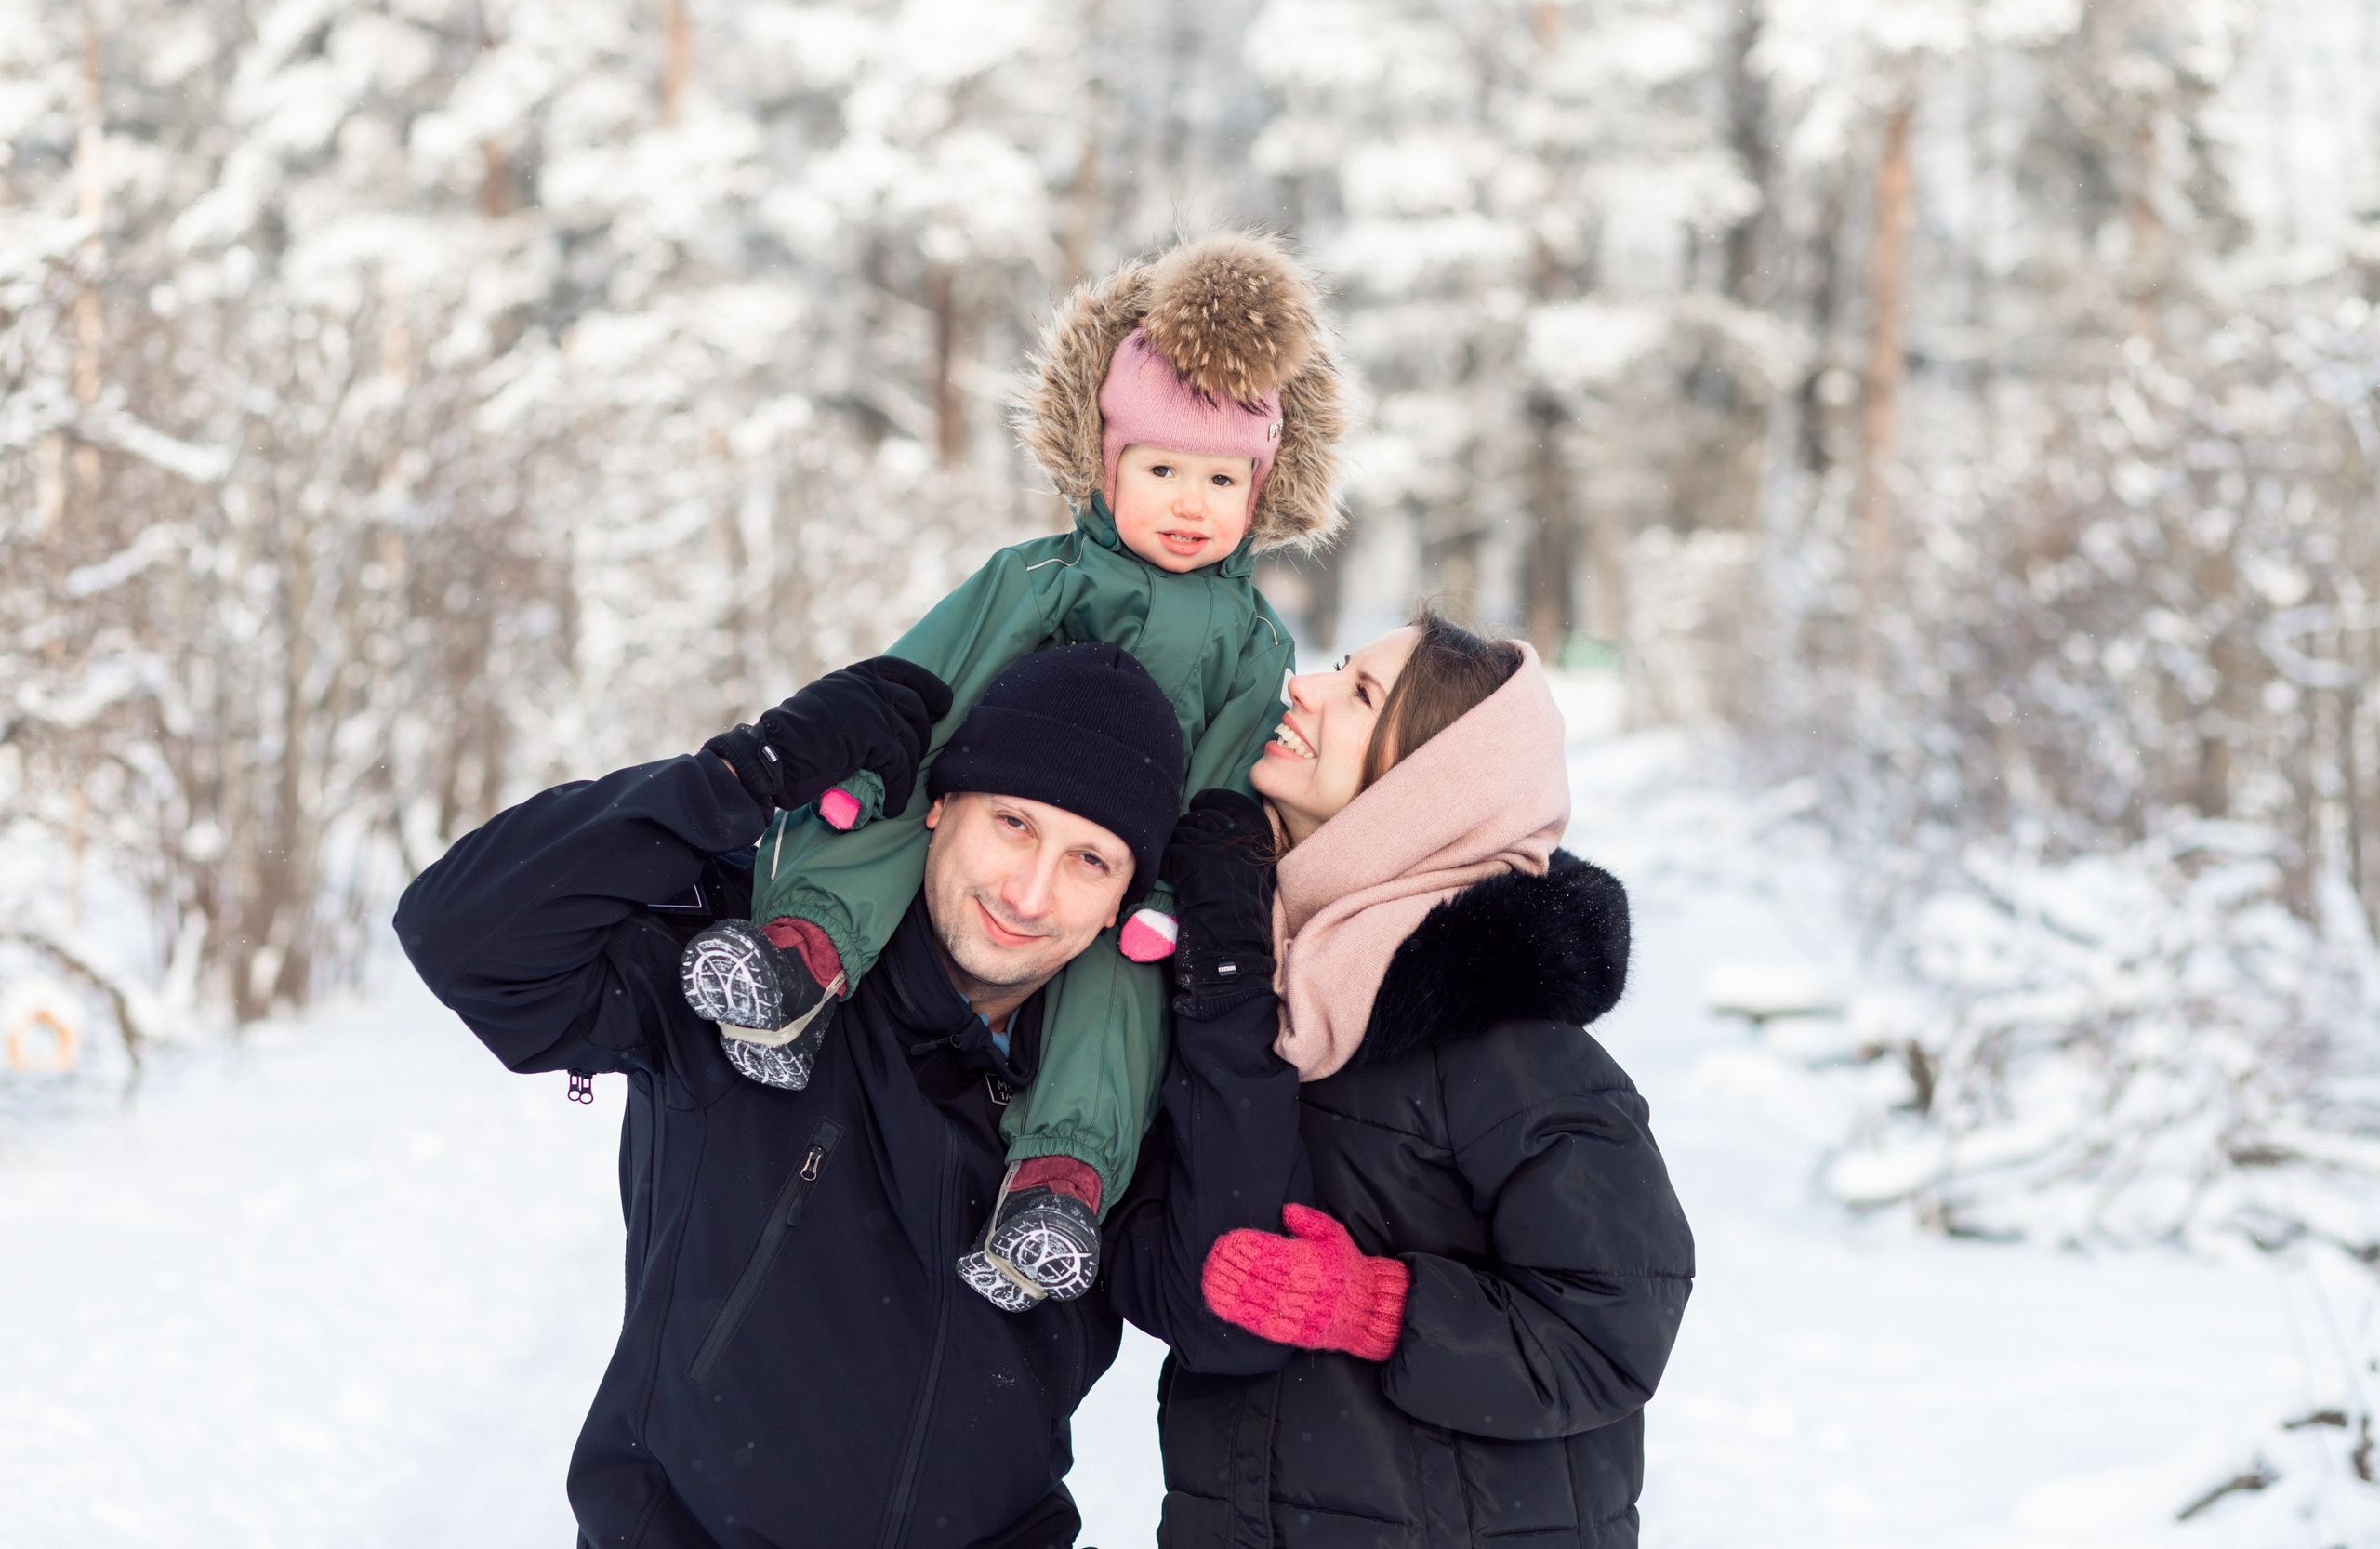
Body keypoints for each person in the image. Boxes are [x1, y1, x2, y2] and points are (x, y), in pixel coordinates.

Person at [392, 644, 1279, 1549]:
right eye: (1012, 822)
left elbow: (1226, 1319)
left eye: (1090, 859)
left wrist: (1234, 998)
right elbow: (464, 936)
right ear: (938, 806)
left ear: (1127, 899)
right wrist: (745, 773)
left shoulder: (1114, 1109)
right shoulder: (757, 979)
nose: (1029, 892)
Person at [677, 231, 1347, 1315]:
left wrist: (1167, 901)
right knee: (894, 837)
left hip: (1114, 865)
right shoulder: (1038, 575)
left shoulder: (1254, 642)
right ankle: (798, 961)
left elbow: (1222, 786)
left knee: (1118, 996)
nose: (1189, 502)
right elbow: (928, 671)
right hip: (979, 787)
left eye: (1221, 480)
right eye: (1161, 470)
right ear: (1106, 465)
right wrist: (869, 764)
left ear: (1259, 490)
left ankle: (1058, 1181)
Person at [1103, 607, 1697, 1547]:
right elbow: (1156, 1257)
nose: (1303, 689)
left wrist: (1376, 1308)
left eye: (1359, 693)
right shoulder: (1233, 981)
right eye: (1336, 669)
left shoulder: (1517, 1050)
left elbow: (1609, 1332)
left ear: (1427, 785)